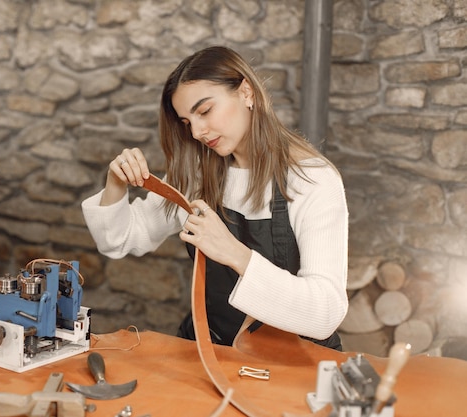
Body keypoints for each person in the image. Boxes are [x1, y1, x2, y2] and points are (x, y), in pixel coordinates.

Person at [81, 45, 348, 350]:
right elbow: (120, 240)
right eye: (186, 122)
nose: (196, 132)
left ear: (246, 92)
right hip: (210, 351)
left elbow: (326, 312)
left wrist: (235, 254)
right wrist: (116, 183)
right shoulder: (197, 174)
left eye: (205, 111)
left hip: (294, 365)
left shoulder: (312, 178)